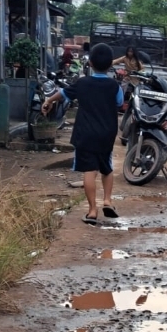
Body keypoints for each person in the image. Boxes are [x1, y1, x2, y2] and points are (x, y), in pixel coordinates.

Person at [41, 43, 124, 226]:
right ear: (110, 64)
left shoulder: (82, 83)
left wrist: (48, 100)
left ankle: (92, 210)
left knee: (89, 171)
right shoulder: (114, 86)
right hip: (106, 133)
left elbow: (62, 93)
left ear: (90, 63)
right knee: (106, 168)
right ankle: (108, 201)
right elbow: (119, 103)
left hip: (85, 134)